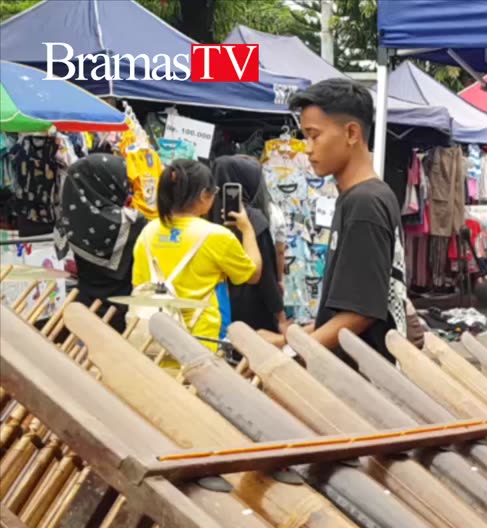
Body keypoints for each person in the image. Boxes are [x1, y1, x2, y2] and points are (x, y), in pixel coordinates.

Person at [261, 78, 407, 363]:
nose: (307, 148)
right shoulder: (359, 196)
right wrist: (286, 339)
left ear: (351, 133)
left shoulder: (365, 203)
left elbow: (360, 314)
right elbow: (345, 309)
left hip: (366, 381)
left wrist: (291, 353)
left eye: (314, 135)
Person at [131, 159, 262, 350]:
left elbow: (138, 285)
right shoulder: (216, 236)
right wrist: (247, 230)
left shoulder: (147, 232)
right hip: (202, 343)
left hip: (154, 342)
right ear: (203, 195)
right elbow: (253, 275)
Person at [54, 154, 146, 333]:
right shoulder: (134, 221)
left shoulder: (70, 217)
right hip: (121, 312)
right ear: (111, 182)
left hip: (83, 307)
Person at [209, 155, 286, 336]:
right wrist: (280, 314)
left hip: (213, 305)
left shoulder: (204, 214)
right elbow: (265, 273)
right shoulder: (253, 219)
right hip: (250, 307)